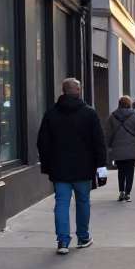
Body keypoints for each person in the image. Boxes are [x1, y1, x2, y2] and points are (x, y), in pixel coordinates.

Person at [37, 78, 107, 254]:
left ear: (63, 91)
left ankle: (63, 242)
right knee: (83, 202)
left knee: (61, 203)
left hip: (59, 167)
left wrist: (46, 165)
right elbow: (99, 141)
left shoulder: (51, 113)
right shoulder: (89, 113)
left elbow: (42, 142)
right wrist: (101, 165)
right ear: (78, 91)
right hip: (84, 167)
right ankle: (83, 237)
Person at [105, 96, 135, 202]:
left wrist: (109, 146)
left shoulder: (112, 117)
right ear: (129, 104)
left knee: (121, 171)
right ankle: (128, 193)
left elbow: (108, 134)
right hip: (132, 148)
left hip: (118, 148)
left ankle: (121, 191)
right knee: (130, 171)